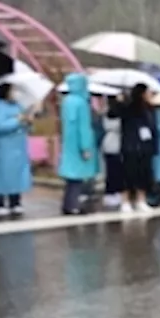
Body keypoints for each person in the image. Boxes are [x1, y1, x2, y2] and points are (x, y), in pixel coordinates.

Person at [0, 84, 32, 217]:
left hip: (18, 148)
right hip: (1, 148)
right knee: (0, 175)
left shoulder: (18, 106)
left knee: (16, 175)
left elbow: (25, 124)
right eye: (13, 91)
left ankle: (15, 201)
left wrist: (28, 121)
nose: (15, 94)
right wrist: (17, 120)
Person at [57, 72, 98, 215]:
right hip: (79, 145)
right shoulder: (82, 103)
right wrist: (86, 147)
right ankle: (73, 205)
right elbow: (83, 127)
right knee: (78, 177)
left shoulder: (66, 101)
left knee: (71, 177)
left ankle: (67, 203)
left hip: (69, 144)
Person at [118, 84, 158, 213]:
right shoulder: (128, 108)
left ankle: (141, 200)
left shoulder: (150, 109)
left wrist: (154, 146)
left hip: (145, 146)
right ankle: (125, 201)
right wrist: (121, 101)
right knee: (128, 174)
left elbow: (153, 129)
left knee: (144, 174)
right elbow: (115, 114)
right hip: (130, 145)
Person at [100, 97, 124, 209]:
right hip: (117, 144)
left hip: (107, 143)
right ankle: (116, 193)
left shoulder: (106, 114)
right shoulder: (120, 116)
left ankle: (109, 194)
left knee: (110, 170)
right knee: (117, 171)